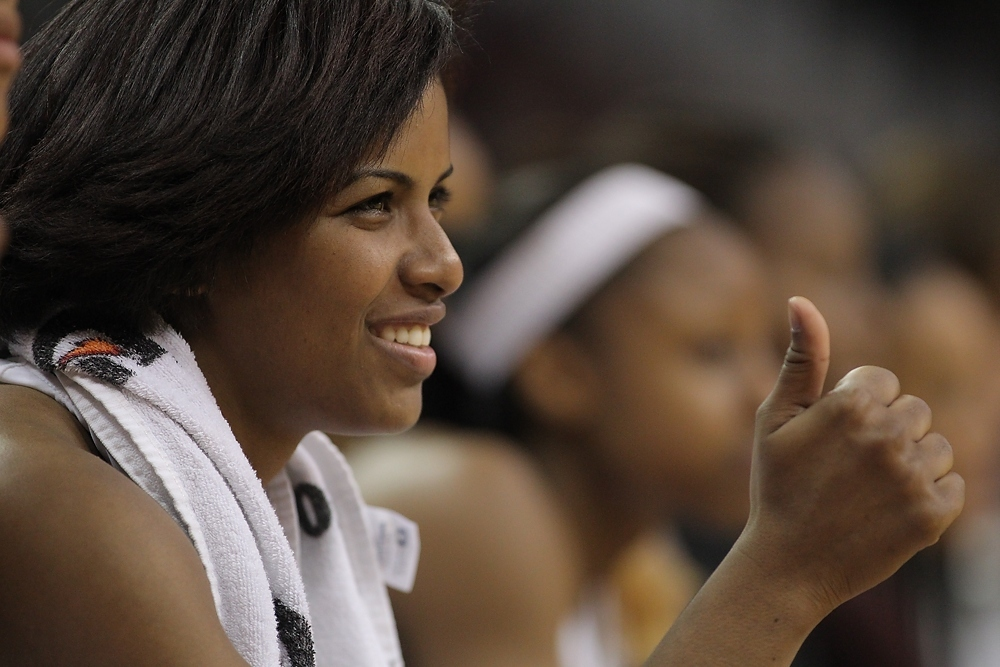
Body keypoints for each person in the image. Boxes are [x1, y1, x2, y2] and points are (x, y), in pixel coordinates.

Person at [0, 2, 962, 667]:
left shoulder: (243, 486)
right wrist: (783, 574)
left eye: (439, 201)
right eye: (375, 205)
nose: (442, 263)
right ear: (195, 226)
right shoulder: (53, 496)